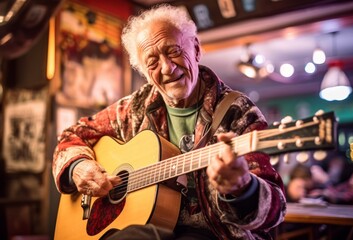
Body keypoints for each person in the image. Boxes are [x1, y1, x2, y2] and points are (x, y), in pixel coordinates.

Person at [52, 4, 286, 240]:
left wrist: (242, 188)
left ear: (195, 49)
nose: (166, 67)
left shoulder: (238, 112)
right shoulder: (133, 109)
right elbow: (71, 136)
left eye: (173, 51)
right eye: (152, 62)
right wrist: (77, 167)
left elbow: (275, 210)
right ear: (144, 72)